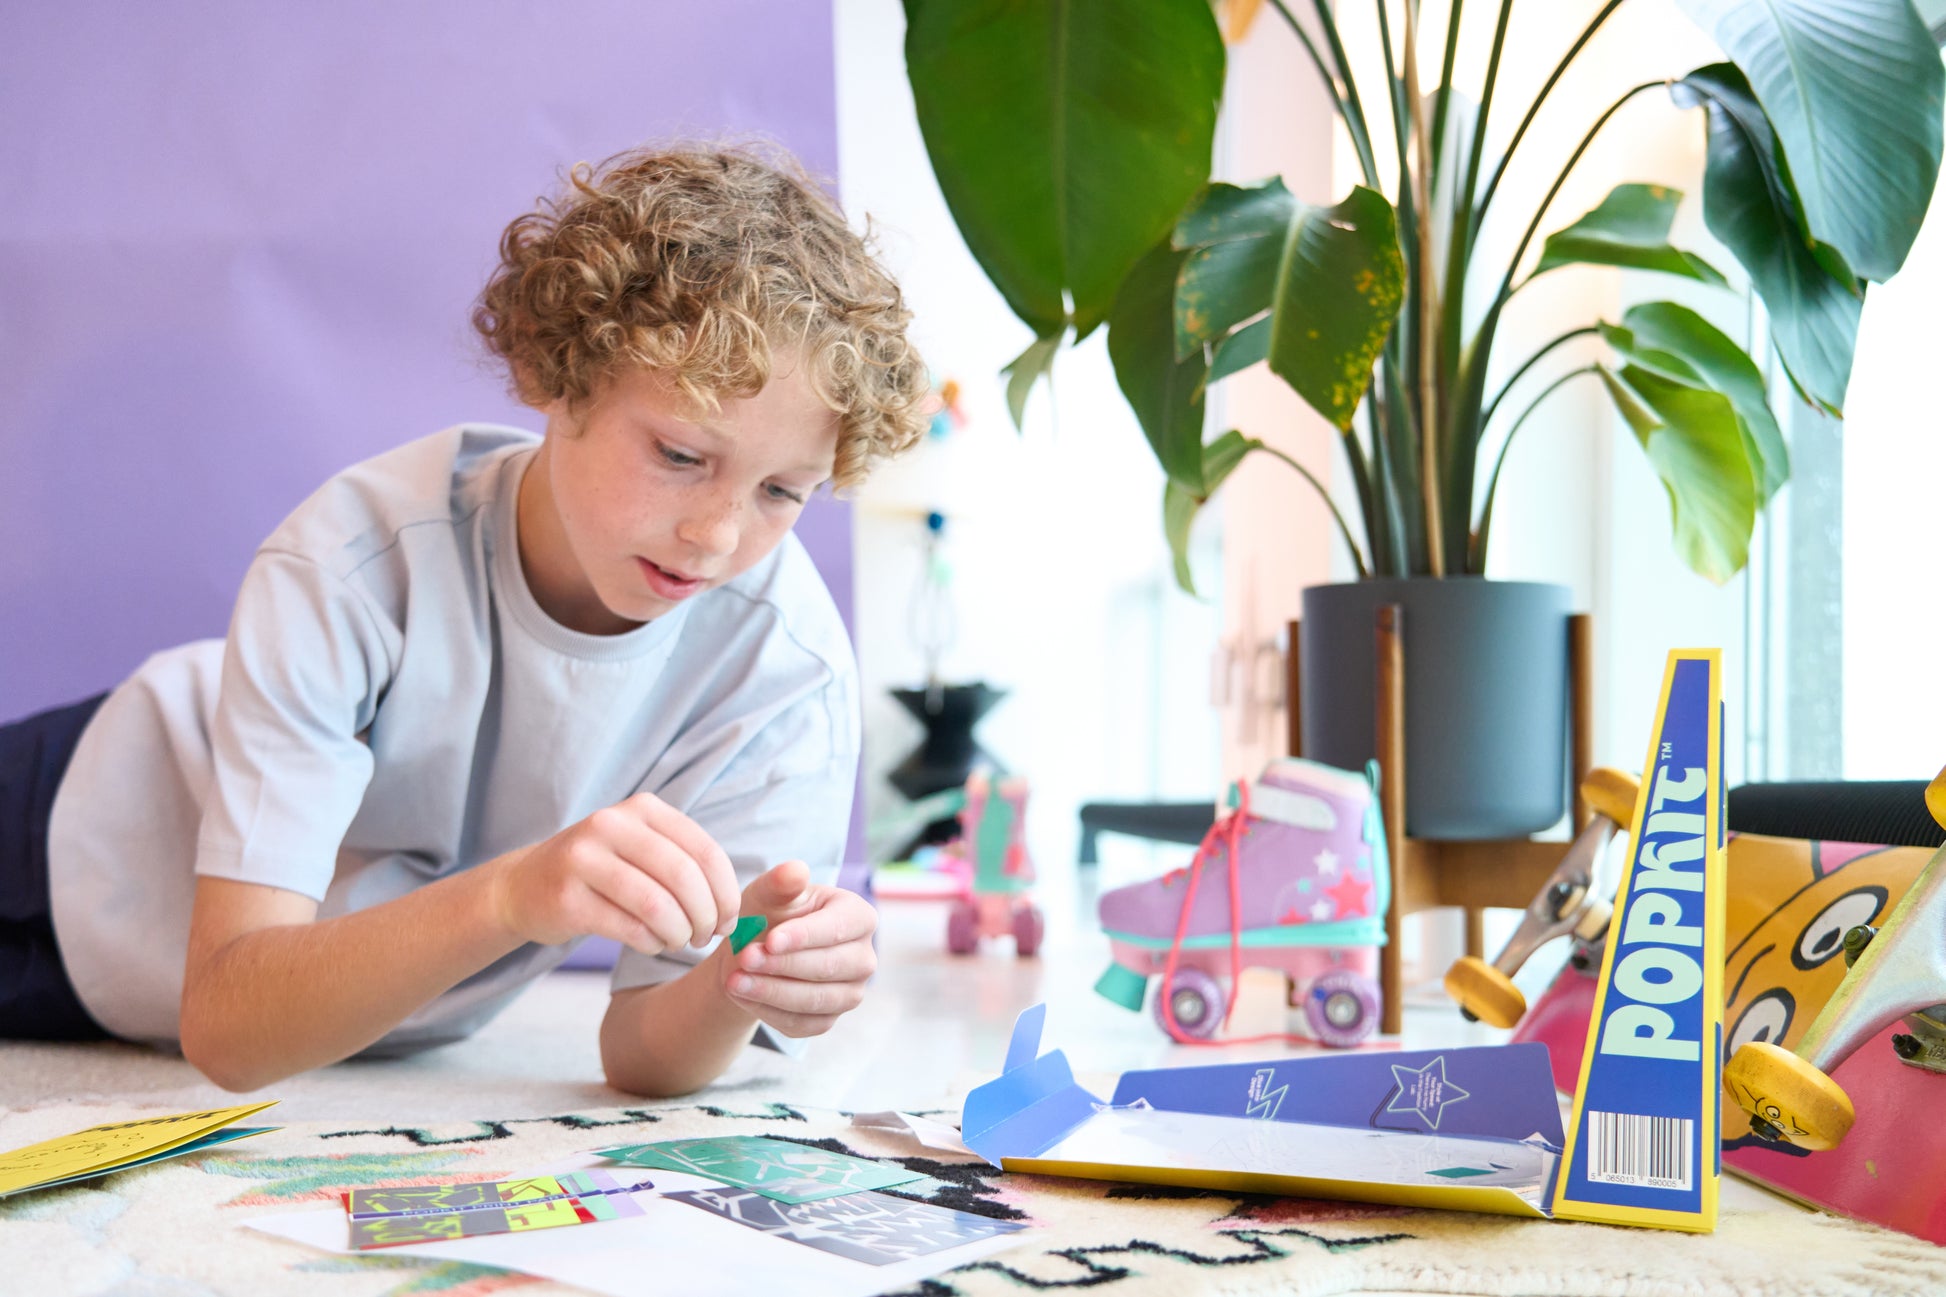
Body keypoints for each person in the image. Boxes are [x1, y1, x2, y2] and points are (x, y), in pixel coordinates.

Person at [0, 144, 929, 1096]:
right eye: (682, 454)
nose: (717, 534)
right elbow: (230, 1021)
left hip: (151, 997)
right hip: (87, 807)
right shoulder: (360, 554)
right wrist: (511, 893)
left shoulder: (786, 673)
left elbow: (645, 1054)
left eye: (782, 490)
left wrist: (745, 981)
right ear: (558, 375)